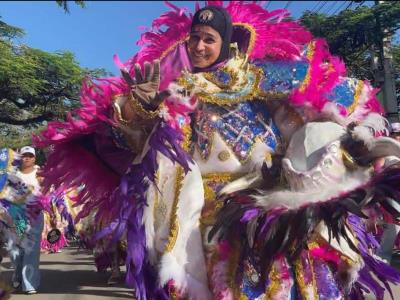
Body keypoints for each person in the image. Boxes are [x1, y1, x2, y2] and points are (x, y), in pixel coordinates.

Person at [33, 2, 400, 299]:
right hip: (209, 218)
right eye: (194, 38)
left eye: (208, 39)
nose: (199, 46)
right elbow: (127, 148)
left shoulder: (258, 79)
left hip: (268, 207)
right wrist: (135, 111)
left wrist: (351, 137)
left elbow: (325, 97)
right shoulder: (175, 93)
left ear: (226, 42)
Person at [9, 146, 44, 295]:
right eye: (24, 155)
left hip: (35, 215)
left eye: (30, 155)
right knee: (16, 250)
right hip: (17, 214)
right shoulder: (13, 174)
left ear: (34, 158)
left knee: (31, 250)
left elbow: (49, 191)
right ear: (20, 158)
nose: (27, 158)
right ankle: (17, 274)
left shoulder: (40, 174)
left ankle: (29, 284)